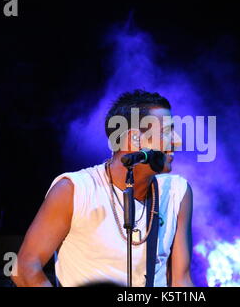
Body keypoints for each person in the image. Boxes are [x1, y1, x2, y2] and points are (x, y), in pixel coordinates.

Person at [12, 89, 194, 287]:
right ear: (134, 140)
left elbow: (180, 281)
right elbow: (24, 268)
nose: (177, 140)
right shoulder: (74, 190)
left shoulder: (178, 193)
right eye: (166, 132)